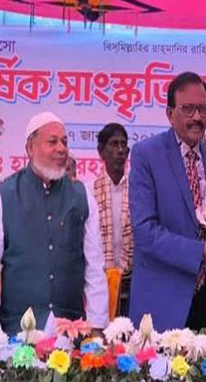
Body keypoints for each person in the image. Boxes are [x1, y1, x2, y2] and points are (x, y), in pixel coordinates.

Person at [129, 72, 206, 340]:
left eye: (203, 109)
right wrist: (203, 252)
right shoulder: (146, 155)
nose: (197, 117)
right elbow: (145, 232)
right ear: (169, 113)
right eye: (188, 109)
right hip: (163, 303)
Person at [0, 112, 108, 336]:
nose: (61, 148)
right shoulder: (1, 197)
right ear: (30, 148)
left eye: (64, 142)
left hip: (71, 333)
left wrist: (97, 327)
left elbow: (94, 268)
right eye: (52, 142)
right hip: (16, 334)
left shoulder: (82, 196)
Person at [93, 123, 133, 318]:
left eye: (123, 145)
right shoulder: (89, 191)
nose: (119, 150)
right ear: (101, 152)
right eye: (113, 144)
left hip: (132, 282)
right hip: (99, 284)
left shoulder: (139, 190)